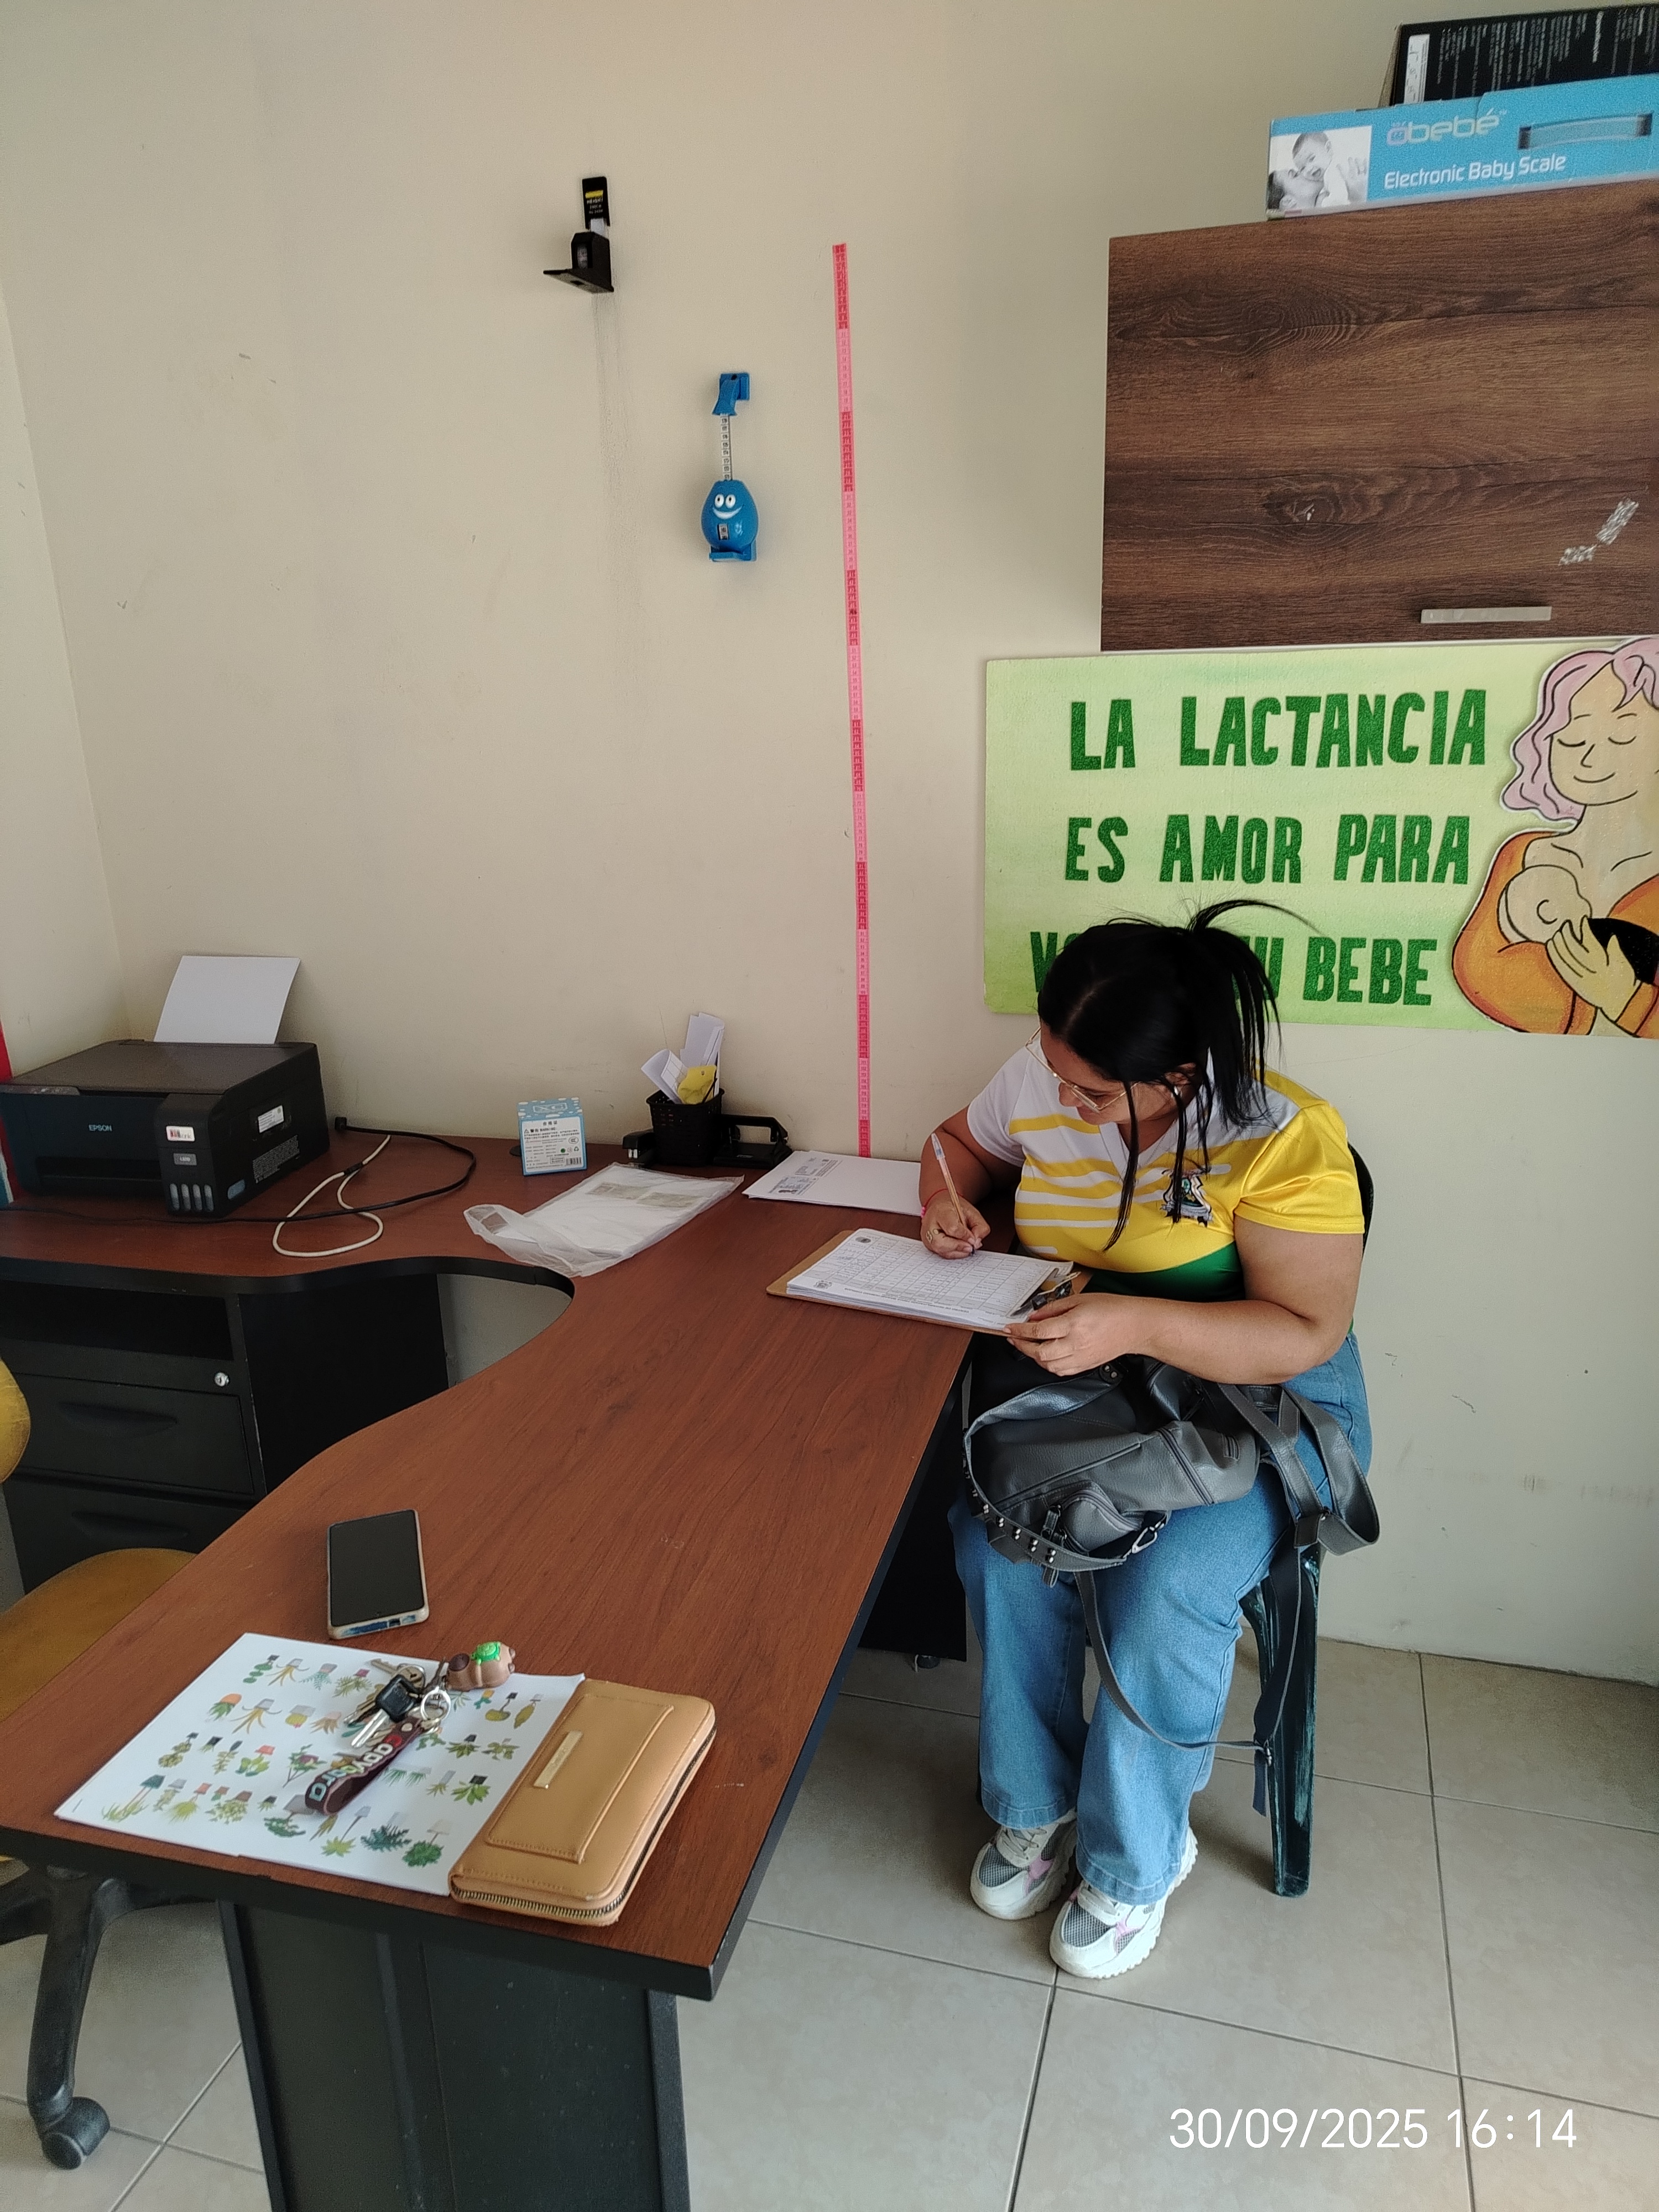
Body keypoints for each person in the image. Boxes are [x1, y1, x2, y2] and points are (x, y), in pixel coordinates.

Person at [920, 906, 1370, 1979]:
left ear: (1176, 1076)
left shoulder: (1280, 1134)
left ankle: (1136, 1858)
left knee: (1163, 1584)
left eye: (1090, 1093)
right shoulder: (1041, 1081)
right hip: (1094, 1390)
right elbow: (959, 1145)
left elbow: (1305, 1328)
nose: (1061, 1103)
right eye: (1054, 1074)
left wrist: (1133, 1321)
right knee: (1001, 1550)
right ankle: (1034, 1805)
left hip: (1254, 1409)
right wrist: (944, 1201)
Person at [1453, 636, 1659, 1039]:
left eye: (1622, 736)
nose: (1590, 757)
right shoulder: (1524, 853)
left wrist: (1624, 998)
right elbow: (1476, 971)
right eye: (1572, 738)